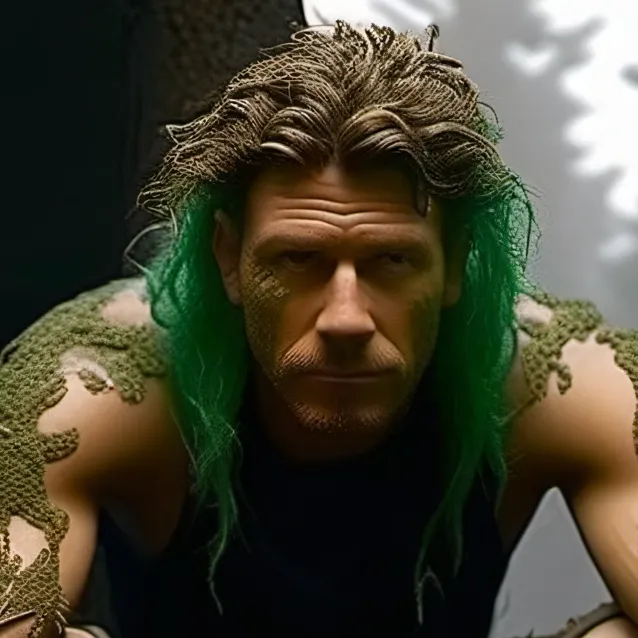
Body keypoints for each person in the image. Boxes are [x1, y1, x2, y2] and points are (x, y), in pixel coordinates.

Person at [1, 22, 637, 638]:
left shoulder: (553, 380)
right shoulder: (98, 385)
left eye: (392, 261)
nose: (345, 318)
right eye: (298, 259)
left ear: (455, 263)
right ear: (229, 258)